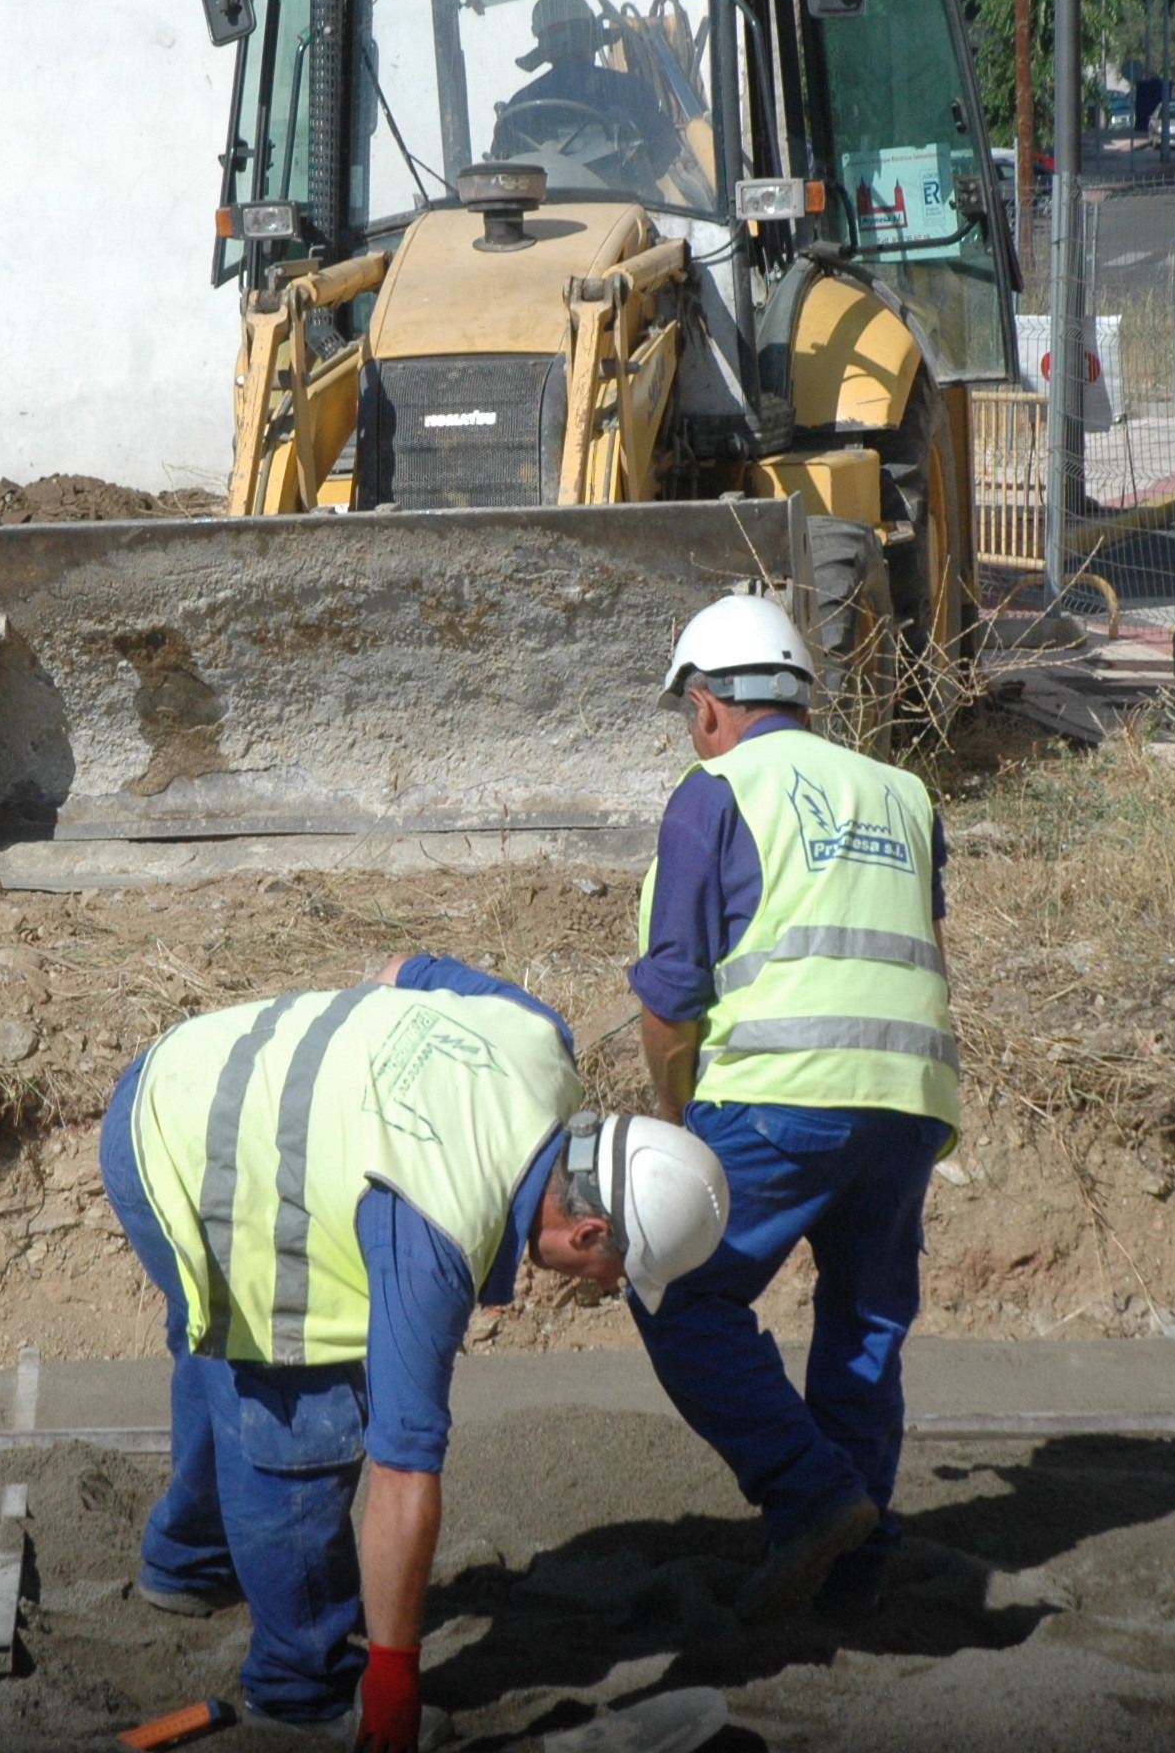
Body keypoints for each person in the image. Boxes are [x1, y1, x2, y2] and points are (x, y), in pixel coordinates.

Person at [99, 953, 729, 1748]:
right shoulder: (436, 1233)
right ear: (588, 1230)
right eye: (615, 1273)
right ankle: (301, 1691)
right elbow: (403, 1477)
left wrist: (356, 1101)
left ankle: (189, 1563)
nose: (605, 1287)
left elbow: (402, 969)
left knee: (231, 1347)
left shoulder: (540, 1039)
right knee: (301, 1412)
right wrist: (393, 1681)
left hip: (190, 1071)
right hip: (183, 1148)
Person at [626, 592, 958, 1623]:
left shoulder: (714, 790)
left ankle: (811, 1496)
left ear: (707, 704)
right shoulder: (903, 792)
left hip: (776, 1094)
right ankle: (852, 1566)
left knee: (676, 1291)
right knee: (864, 1322)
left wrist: (672, 1122)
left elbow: (671, 996)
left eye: (690, 716)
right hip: (907, 1101)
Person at [492, 0, 668, 161]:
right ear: (591, 36)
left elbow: (502, 163)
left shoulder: (521, 105)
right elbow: (665, 149)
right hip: (618, 181)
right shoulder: (630, 89)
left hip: (545, 181)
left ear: (544, 47)